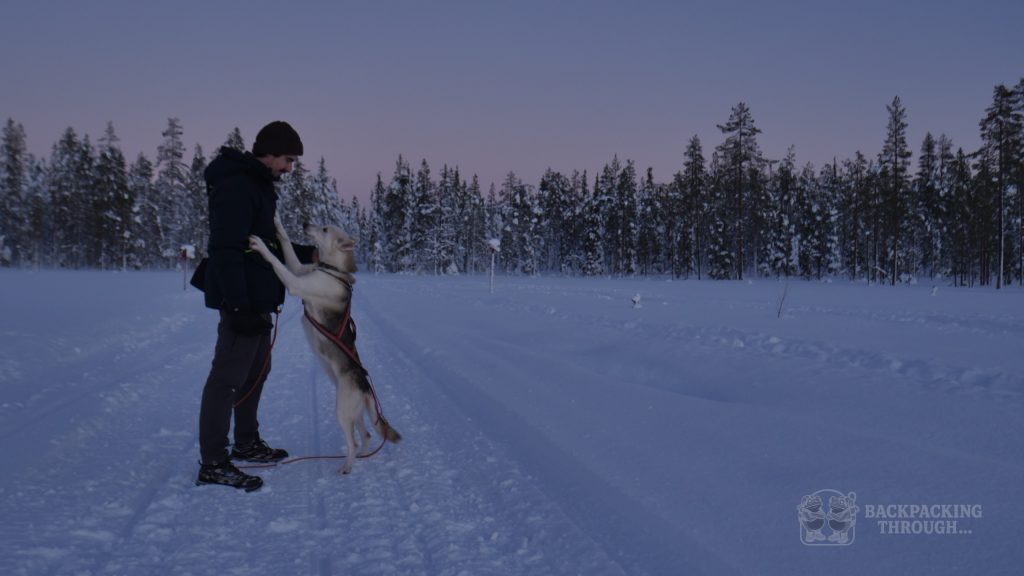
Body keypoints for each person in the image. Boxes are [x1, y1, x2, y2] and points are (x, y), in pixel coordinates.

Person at [195, 121, 303, 491]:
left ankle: (246, 443)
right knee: (227, 379)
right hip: (241, 301)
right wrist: (238, 307)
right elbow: (225, 250)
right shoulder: (238, 186)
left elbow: (266, 246)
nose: (290, 167)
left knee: (255, 373)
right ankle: (213, 462)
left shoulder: (258, 186)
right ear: (269, 153)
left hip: (259, 300)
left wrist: (311, 254)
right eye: (288, 159)